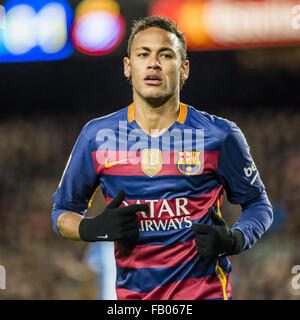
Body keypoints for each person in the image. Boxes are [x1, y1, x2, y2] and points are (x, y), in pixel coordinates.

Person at [51, 16, 273, 300]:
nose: (153, 63)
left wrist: (236, 238)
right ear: (128, 67)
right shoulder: (97, 136)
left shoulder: (219, 135)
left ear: (184, 69)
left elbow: (258, 204)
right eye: (143, 54)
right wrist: (92, 227)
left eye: (165, 55)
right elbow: (61, 213)